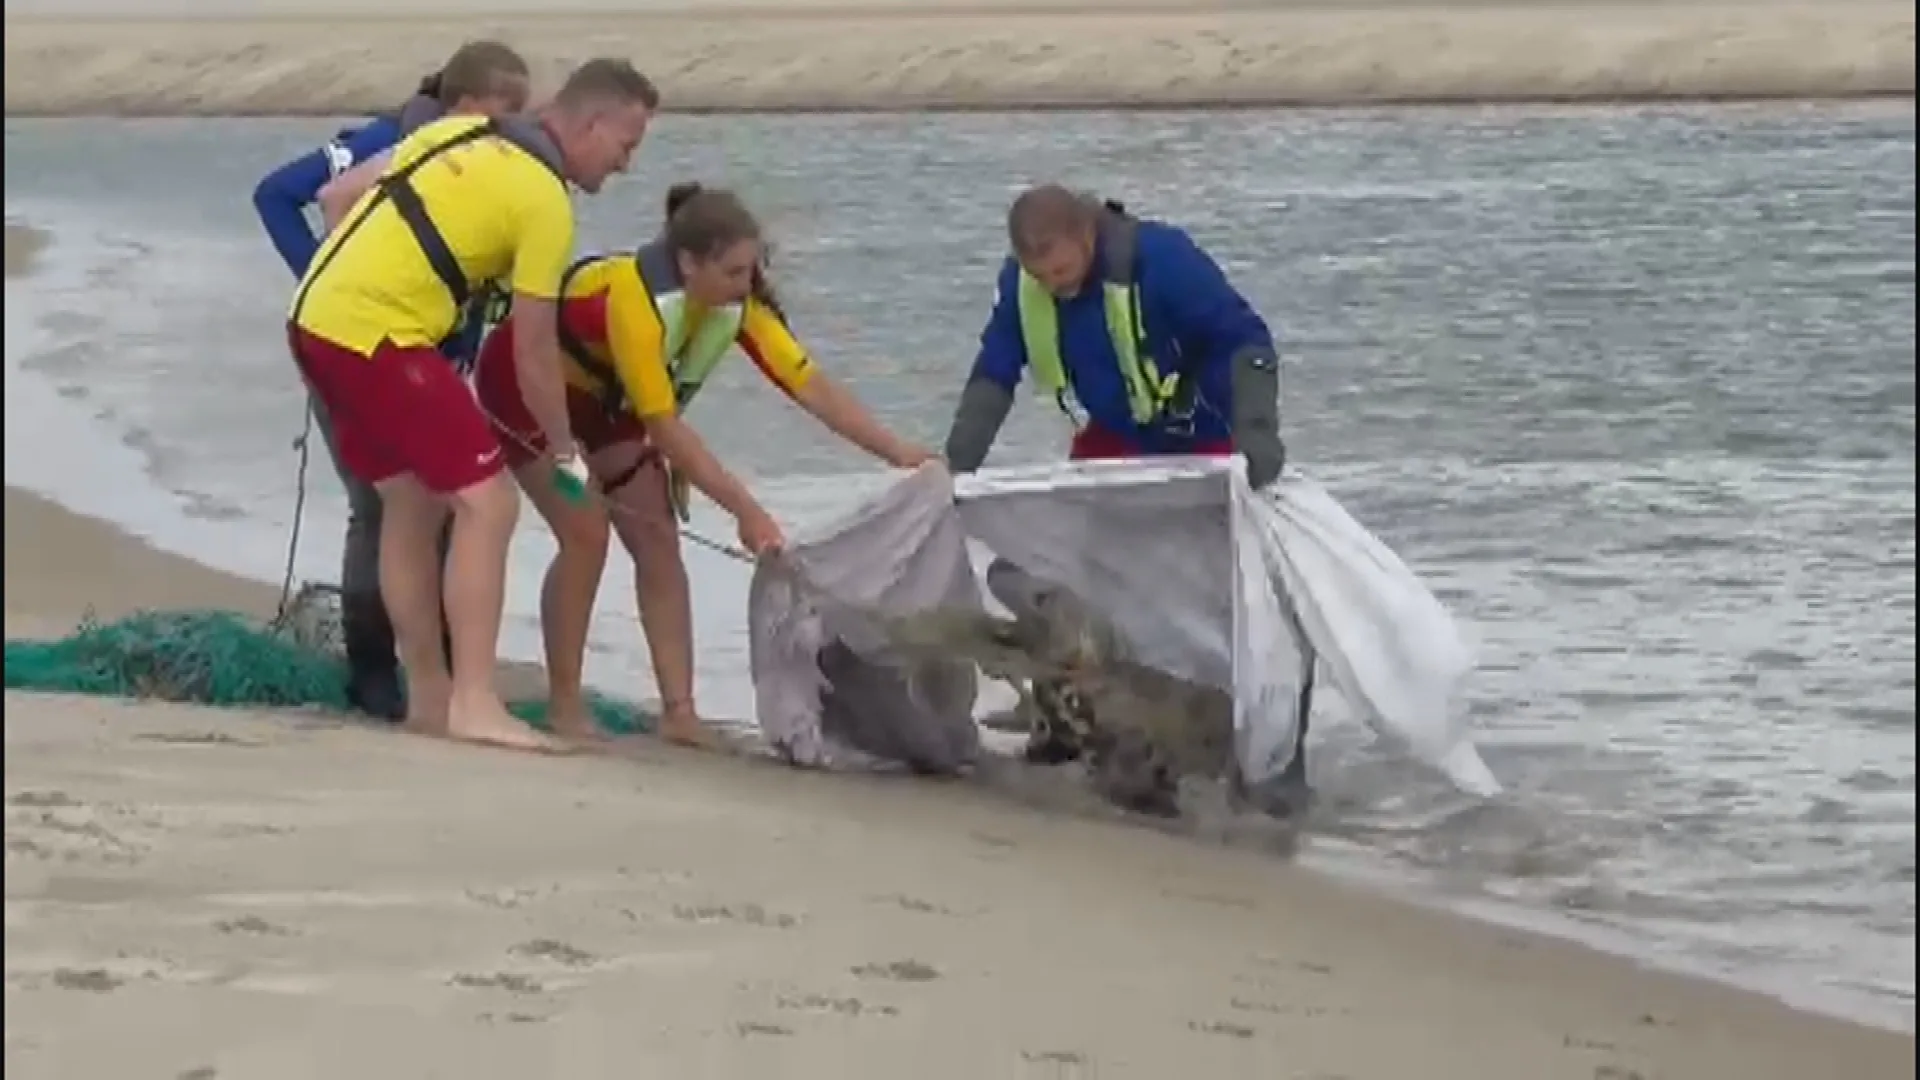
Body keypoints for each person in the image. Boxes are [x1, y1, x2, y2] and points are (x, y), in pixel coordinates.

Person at [285, 57, 660, 752]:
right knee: (490, 503)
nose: (626, 165)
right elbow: (534, 350)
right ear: (591, 123)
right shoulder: (544, 200)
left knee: (412, 501)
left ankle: (429, 698)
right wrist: (565, 452)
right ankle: (474, 702)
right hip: (378, 334)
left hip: (314, 319)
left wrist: (360, 285)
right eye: (626, 145)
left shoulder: (461, 130)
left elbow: (338, 197)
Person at [473, 183, 934, 747]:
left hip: (607, 405)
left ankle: (680, 712)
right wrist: (747, 511)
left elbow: (810, 387)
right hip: (526, 394)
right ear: (689, 263)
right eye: (734, 272)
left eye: (752, 269)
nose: (747, 286)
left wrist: (898, 453)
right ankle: (565, 704)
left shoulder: (736, 307)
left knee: (658, 537)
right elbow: (665, 428)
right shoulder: (636, 301)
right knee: (586, 534)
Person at [940, 184, 1310, 810]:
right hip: (1115, 449)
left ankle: (1267, 764)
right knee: (1080, 588)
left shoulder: (1163, 260)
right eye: (1039, 274)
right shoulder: (1025, 285)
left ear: (1087, 237)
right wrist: (955, 465)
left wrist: (1258, 433)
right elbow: (995, 370)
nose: (1053, 286)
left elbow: (1244, 339)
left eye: (1061, 270)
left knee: (1235, 607)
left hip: (1203, 446)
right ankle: (1077, 730)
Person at [251, 40, 532, 722]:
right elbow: (277, 194)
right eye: (507, 111)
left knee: (447, 506)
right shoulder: (385, 143)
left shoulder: (483, 169)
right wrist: (330, 276)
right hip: (357, 341)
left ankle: (436, 675)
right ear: (466, 106)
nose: (516, 129)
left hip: (425, 358)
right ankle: (374, 677)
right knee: (380, 509)